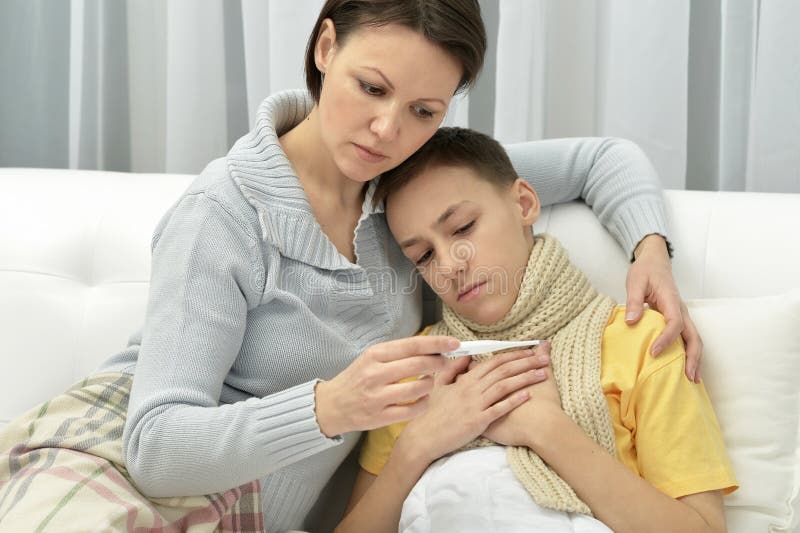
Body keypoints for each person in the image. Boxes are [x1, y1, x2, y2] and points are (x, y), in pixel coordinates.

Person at [0, 1, 702, 531]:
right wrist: (333, 405)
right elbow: (155, 446)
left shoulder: (410, 202)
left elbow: (602, 158)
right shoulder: (223, 211)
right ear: (326, 45)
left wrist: (651, 252)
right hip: (115, 465)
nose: (389, 130)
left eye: (424, 110)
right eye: (372, 88)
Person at [339, 127, 738, 533]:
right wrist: (419, 443)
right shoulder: (415, 368)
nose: (449, 266)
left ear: (525, 204)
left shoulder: (641, 342)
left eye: (462, 228)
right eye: (423, 255)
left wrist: (544, 428)